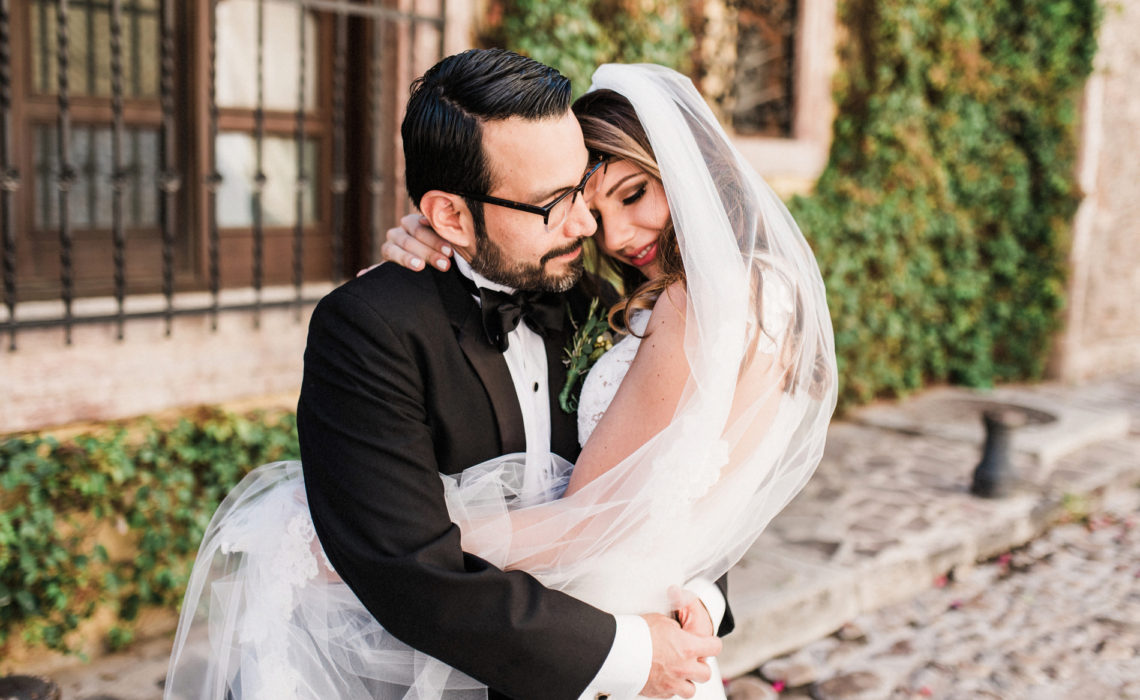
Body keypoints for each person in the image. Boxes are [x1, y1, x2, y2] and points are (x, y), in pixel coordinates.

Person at [164, 54, 837, 700]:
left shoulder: (601, 306)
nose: (587, 224)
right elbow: (410, 570)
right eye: (558, 202)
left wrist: (694, 601)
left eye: (585, 189)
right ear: (451, 215)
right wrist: (626, 653)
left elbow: (681, 475)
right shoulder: (370, 328)